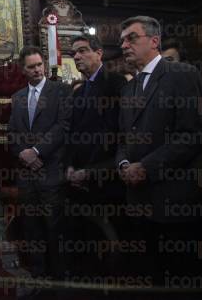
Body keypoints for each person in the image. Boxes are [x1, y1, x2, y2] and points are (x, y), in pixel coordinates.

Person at [116, 16, 202, 287]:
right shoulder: (128, 87)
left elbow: (192, 136)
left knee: (178, 281)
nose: (123, 45)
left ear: (154, 41)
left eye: (131, 38)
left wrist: (146, 167)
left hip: (172, 201)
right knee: (149, 278)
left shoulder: (182, 75)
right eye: (122, 40)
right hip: (137, 201)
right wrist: (122, 164)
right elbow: (123, 138)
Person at [64, 35, 127, 282]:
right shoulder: (78, 94)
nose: (77, 57)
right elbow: (72, 135)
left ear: (99, 53)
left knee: (114, 242)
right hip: (80, 182)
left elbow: (116, 133)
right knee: (88, 238)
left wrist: (90, 171)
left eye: (82, 51)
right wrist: (70, 167)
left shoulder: (115, 83)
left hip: (107, 177)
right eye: (74, 53)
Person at [8, 46, 71, 280]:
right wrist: (23, 154)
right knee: (31, 226)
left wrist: (36, 151)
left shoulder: (61, 91)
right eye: (31, 66)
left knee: (54, 226)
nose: (36, 70)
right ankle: (37, 273)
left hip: (51, 171)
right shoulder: (17, 97)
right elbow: (12, 133)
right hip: (26, 174)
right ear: (23, 69)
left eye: (39, 65)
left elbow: (62, 127)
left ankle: (59, 276)